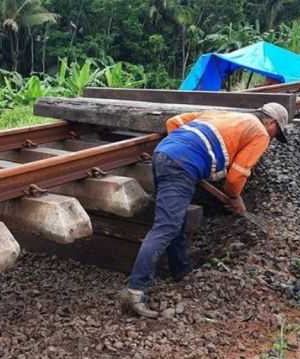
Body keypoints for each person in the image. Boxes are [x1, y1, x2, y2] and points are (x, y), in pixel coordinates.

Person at [118, 102, 289, 318]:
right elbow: (236, 175)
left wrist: (185, 152)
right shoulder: (260, 133)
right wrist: (235, 197)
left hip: (163, 153)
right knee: (166, 227)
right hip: (181, 164)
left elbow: (174, 122)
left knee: (175, 222)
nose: (272, 139)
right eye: (276, 133)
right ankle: (134, 291)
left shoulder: (224, 112)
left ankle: (180, 271)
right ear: (270, 122)